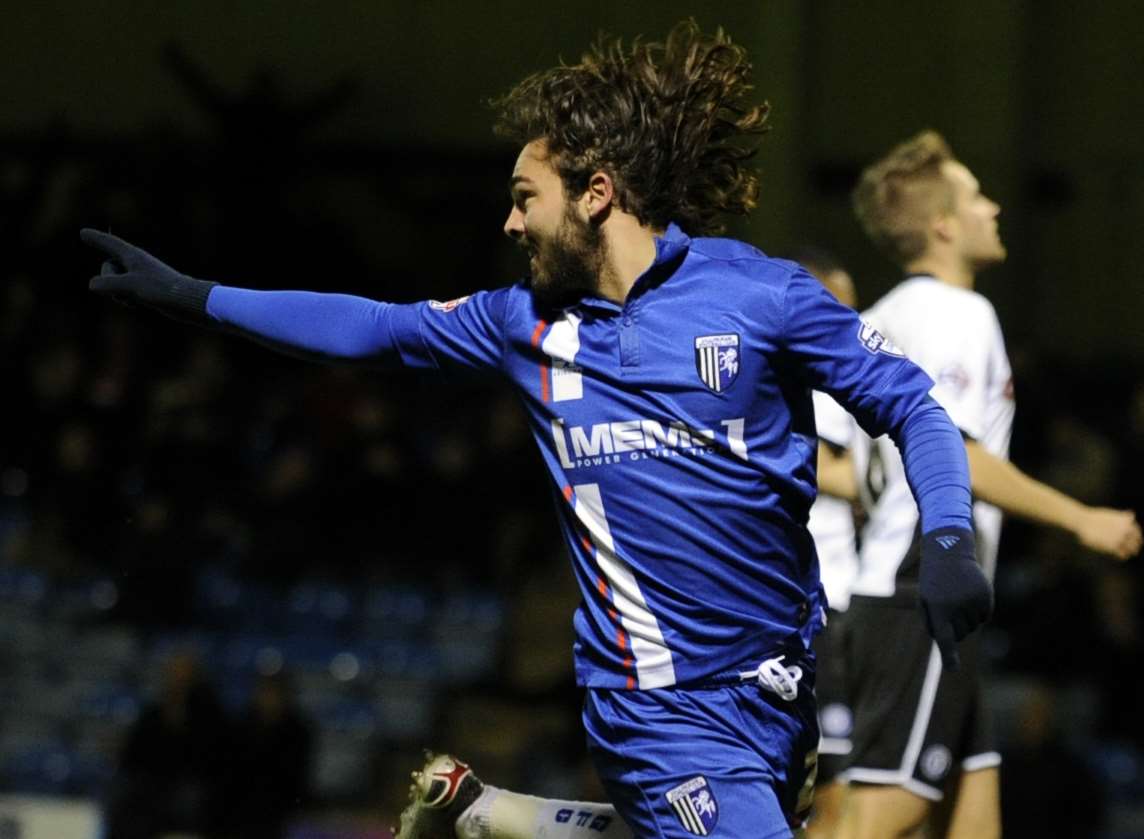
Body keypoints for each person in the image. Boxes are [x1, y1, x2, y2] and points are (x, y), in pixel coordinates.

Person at [84, 23, 992, 839]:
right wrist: (200, 299)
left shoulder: (762, 294)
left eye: (526, 196)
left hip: (779, 684)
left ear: (596, 194)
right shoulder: (519, 322)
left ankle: (498, 815)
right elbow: (374, 326)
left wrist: (949, 533)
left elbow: (913, 403)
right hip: (651, 703)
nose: (509, 219)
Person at [838, 130, 1142, 839]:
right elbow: (959, 456)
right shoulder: (959, 314)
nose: (995, 208)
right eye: (977, 196)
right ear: (944, 224)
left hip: (900, 593)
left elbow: (854, 474)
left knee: (973, 815)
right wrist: (1080, 518)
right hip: (921, 589)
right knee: (882, 814)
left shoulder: (881, 318)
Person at [784, 247, 861, 839]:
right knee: (830, 782)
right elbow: (835, 472)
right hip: (821, 600)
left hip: (822, 598)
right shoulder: (813, 382)